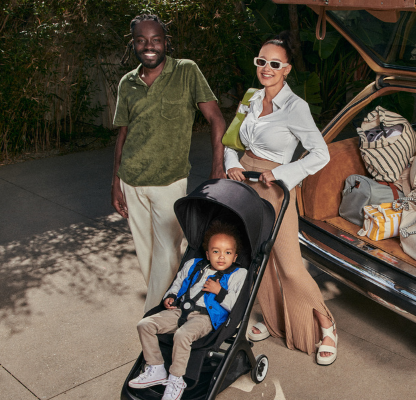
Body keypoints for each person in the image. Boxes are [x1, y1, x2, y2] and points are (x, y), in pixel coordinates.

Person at [224, 32, 337, 365]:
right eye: (262, 61)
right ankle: (273, 321)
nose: (267, 68)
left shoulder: (295, 107)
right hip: (244, 182)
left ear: (286, 68)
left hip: (275, 187)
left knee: (288, 265)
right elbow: (231, 141)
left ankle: (326, 325)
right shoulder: (249, 98)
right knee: (253, 257)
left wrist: (284, 173)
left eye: (275, 63)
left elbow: (321, 153)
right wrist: (232, 165)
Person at [111, 14, 227, 313]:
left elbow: (216, 118)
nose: (149, 46)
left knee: (168, 254)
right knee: (147, 254)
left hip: (169, 181)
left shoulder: (187, 71)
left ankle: (155, 317)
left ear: (166, 42)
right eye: (141, 41)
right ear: (133, 43)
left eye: (156, 40)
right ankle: (170, 308)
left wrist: (218, 166)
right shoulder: (128, 82)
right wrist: (116, 181)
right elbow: (123, 133)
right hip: (131, 180)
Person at [129, 221, 247, 400]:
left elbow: (237, 306)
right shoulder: (193, 264)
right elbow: (177, 283)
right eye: (216, 251)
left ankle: (176, 379)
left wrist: (220, 292)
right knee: (145, 324)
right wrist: (171, 296)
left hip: (206, 317)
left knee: (182, 335)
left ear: (235, 256)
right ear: (207, 254)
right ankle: (156, 367)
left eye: (227, 252)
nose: (221, 257)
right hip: (180, 310)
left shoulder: (238, 275)